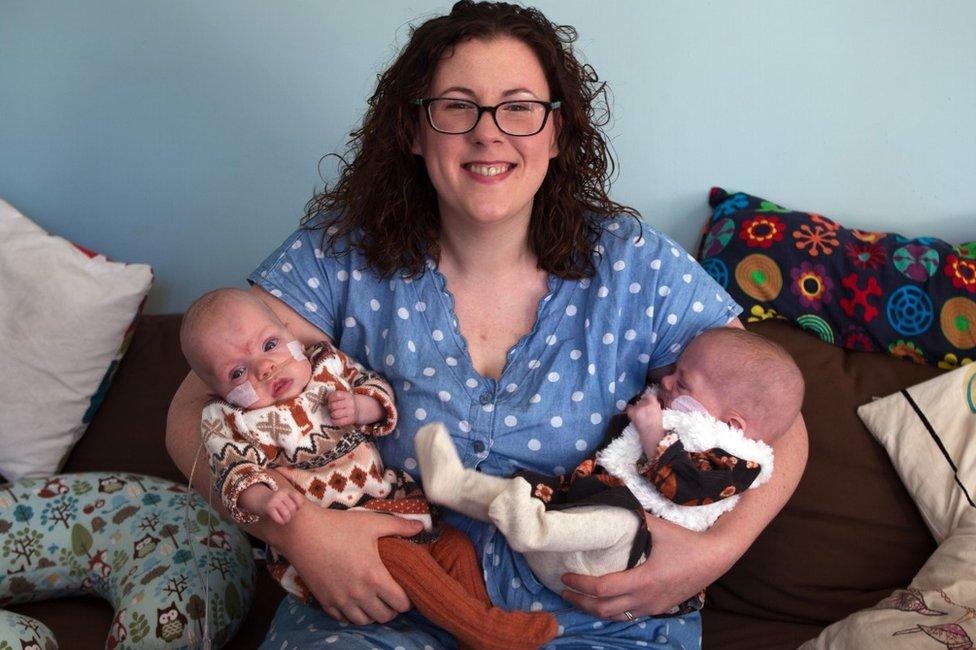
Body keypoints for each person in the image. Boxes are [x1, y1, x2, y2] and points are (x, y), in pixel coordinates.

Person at [166, 2, 808, 647]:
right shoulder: (337, 256)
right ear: (415, 129)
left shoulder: (635, 264)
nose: (489, 133)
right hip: (389, 599)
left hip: (594, 613)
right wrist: (300, 532)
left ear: (558, 133)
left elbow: (776, 418)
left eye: (520, 106)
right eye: (457, 106)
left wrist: (717, 551)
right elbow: (195, 402)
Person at [178, 287, 558, 649]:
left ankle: (474, 634)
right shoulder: (231, 420)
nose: (264, 367)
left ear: (290, 333)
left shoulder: (326, 365)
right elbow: (235, 473)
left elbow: (374, 388)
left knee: (455, 549)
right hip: (339, 538)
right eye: (237, 374)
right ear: (217, 392)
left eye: (270, 345)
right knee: (402, 558)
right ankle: (486, 630)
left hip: (391, 502)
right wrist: (264, 501)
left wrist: (362, 407)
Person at [414, 327, 805, 613]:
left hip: (628, 559)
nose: (665, 380)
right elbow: (618, 449)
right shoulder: (672, 413)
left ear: (734, 424)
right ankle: (456, 486)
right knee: (530, 488)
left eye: (682, 382)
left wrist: (653, 431)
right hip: (570, 544)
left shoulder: (736, 461)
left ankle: (536, 527)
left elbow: (687, 486)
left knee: (622, 520)